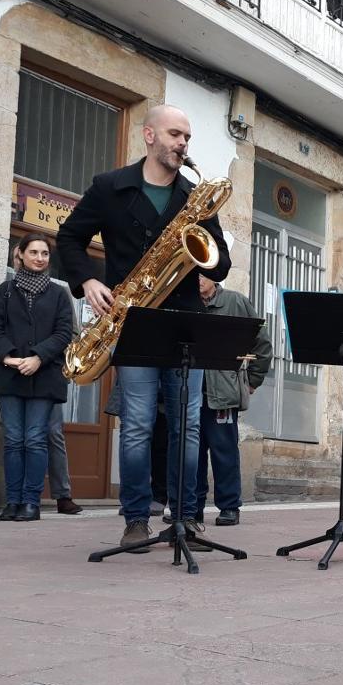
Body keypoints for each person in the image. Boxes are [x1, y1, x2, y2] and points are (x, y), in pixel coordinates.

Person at [57, 104, 231, 550]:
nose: (183, 144)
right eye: (175, 134)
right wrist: (88, 279)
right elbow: (69, 237)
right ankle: (136, 518)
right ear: (149, 135)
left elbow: (222, 263)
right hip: (132, 320)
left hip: (185, 324)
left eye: (187, 137)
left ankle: (188, 516)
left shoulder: (196, 197)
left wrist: (201, 255)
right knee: (135, 426)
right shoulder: (109, 187)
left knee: (188, 427)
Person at [0, 234, 74, 521]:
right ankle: (12, 501)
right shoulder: (5, 291)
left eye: (45, 253)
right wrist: (7, 356)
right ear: (20, 254)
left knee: (35, 439)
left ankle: (31, 502)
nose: (39, 258)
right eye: (33, 252)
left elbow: (64, 332)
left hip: (44, 376)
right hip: (9, 375)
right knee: (13, 439)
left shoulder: (60, 294)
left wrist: (38, 357)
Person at [192, 274, 272, 526]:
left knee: (224, 450)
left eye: (202, 273)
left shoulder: (236, 302)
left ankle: (229, 506)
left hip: (223, 392)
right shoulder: (186, 302)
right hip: (190, 391)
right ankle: (192, 507)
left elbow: (262, 342)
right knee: (191, 453)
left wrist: (253, 380)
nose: (198, 279)